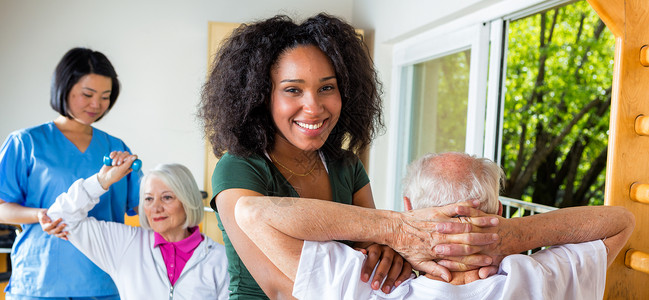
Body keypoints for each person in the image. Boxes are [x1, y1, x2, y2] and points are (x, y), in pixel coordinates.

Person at [198, 14, 499, 299]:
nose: (313, 107)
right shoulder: (238, 168)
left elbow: (376, 253)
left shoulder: (347, 166)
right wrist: (392, 233)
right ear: (262, 97)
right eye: (293, 90)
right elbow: (281, 289)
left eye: (327, 87)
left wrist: (387, 255)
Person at [234, 152, 635, 299]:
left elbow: (253, 214)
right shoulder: (540, 278)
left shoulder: (368, 284)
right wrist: (514, 236)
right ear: (497, 208)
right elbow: (620, 221)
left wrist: (395, 229)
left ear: (408, 206)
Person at [0, 47, 141, 299]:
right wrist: (40, 215)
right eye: (87, 94)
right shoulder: (25, 143)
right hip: (40, 281)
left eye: (106, 96)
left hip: (104, 281)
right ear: (64, 88)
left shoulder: (117, 149)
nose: (96, 104)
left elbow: (143, 209)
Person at [46, 152, 230, 299]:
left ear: (187, 200)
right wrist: (103, 180)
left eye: (167, 197)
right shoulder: (125, 243)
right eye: (148, 199)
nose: (156, 208)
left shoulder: (220, 259)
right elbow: (59, 216)